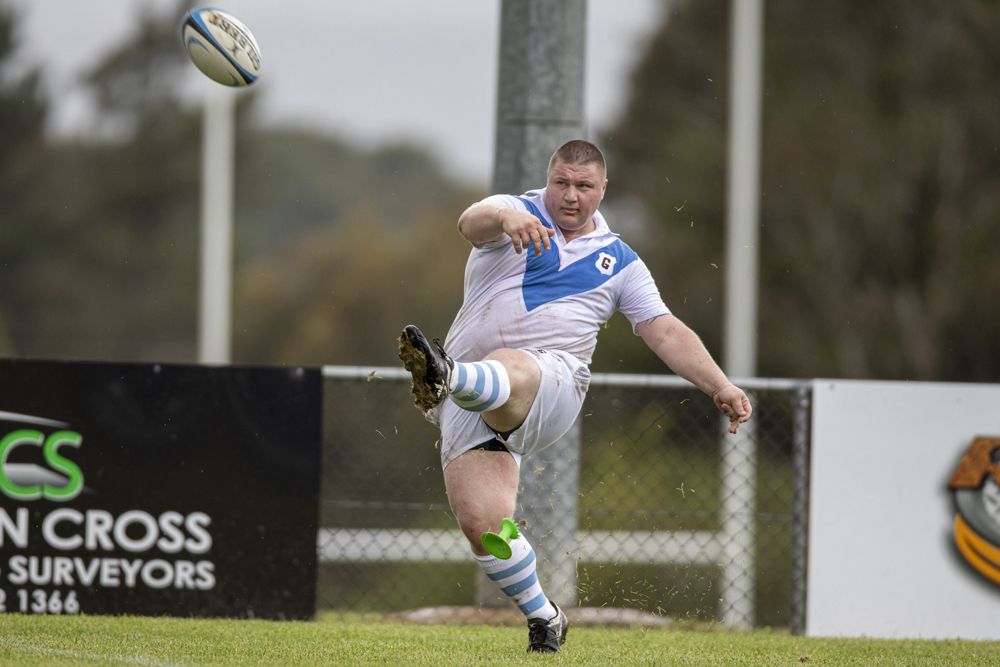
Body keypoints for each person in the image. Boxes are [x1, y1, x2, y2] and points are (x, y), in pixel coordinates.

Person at [398, 140, 751, 653]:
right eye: (561, 183)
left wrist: (720, 384)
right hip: (477, 393)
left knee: (513, 362)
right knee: (483, 526)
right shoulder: (515, 212)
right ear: (548, 180)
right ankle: (546, 617)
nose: (570, 195)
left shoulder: (621, 262)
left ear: (603, 189)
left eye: (583, 186)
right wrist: (505, 217)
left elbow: (664, 330)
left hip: (552, 384)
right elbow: (470, 222)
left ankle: (445, 376)